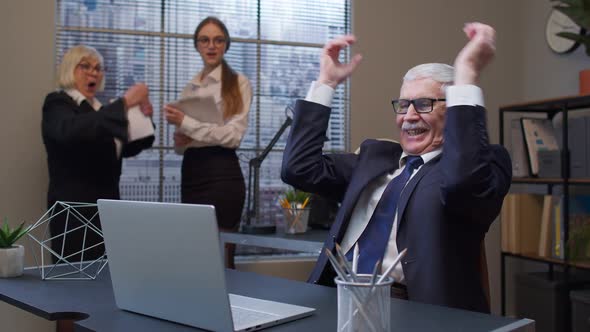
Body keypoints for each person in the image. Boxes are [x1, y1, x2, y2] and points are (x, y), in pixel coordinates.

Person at [281, 22, 511, 313]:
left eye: (424, 104)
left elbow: (461, 184)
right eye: (403, 105)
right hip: (336, 295)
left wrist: (466, 76)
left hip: (411, 307)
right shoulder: (376, 158)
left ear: (452, 110)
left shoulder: (483, 165)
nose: (409, 116)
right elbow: (297, 169)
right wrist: (326, 83)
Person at [42, 45, 154, 263]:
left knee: (107, 282)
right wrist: (124, 103)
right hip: (74, 214)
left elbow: (123, 147)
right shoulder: (58, 103)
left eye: (98, 68)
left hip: (107, 210)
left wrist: (144, 118)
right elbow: (72, 130)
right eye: (85, 66)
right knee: (73, 284)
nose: (93, 72)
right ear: (69, 69)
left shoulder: (100, 110)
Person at [164, 17, 252, 269]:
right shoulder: (190, 88)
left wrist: (188, 124)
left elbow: (233, 136)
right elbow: (182, 148)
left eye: (218, 40)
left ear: (226, 45)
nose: (211, 45)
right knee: (195, 259)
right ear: (197, 45)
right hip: (192, 172)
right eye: (205, 40)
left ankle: (229, 308)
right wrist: (180, 139)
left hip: (222, 174)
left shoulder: (238, 84)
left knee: (222, 261)